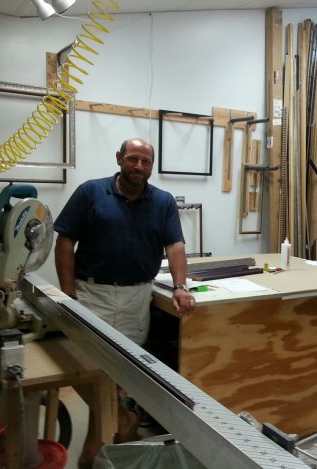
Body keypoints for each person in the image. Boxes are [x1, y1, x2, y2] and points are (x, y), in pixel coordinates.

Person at [53, 137, 196, 467]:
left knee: (118, 373)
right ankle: (119, 423)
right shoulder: (91, 192)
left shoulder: (162, 202)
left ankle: (97, 447)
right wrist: (67, 294)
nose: (139, 166)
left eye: (146, 162)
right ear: (119, 158)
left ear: (151, 166)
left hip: (136, 297)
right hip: (92, 294)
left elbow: (175, 246)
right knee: (88, 369)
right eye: (133, 159)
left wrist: (180, 286)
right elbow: (65, 242)